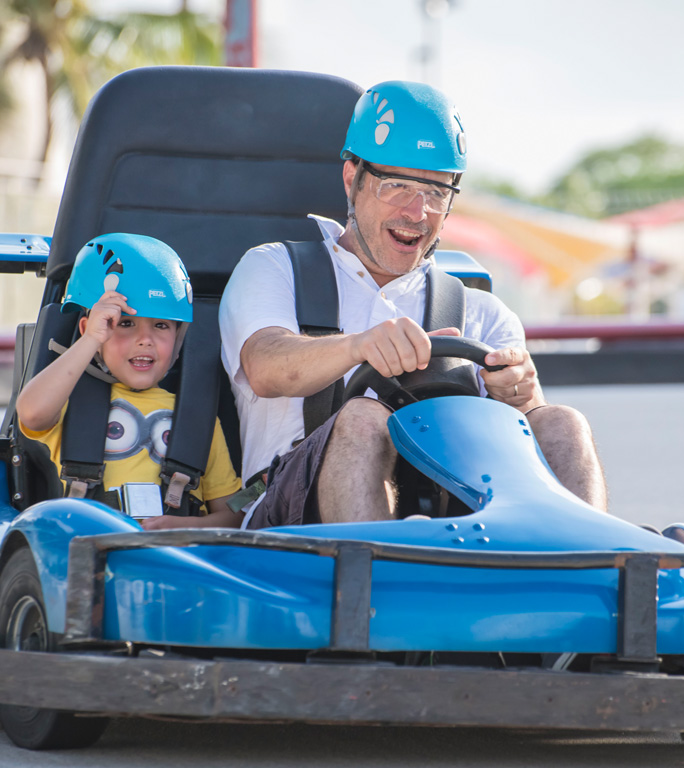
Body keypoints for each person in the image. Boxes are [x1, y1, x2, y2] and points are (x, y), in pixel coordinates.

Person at [219, 80, 606, 530]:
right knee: (363, 418)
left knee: (563, 423)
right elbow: (267, 367)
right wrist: (358, 346)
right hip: (288, 519)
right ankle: (369, 587)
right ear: (353, 179)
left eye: (436, 192)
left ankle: (595, 579)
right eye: (397, 185)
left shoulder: (483, 312)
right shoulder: (276, 267)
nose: (417, 212)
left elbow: (527, 440)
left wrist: (519, 395)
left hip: (453, 517)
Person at [16, 232, 242, 529]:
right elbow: (32, 412)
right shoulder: (69, 402)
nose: (145, 340)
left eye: (160, 325)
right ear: (91, 329)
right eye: (124, 323)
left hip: (172, 557)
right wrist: (92, 339)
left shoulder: (200, 420)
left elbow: (235, 515)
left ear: (178, 339)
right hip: (83, 551)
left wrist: (182, 527)